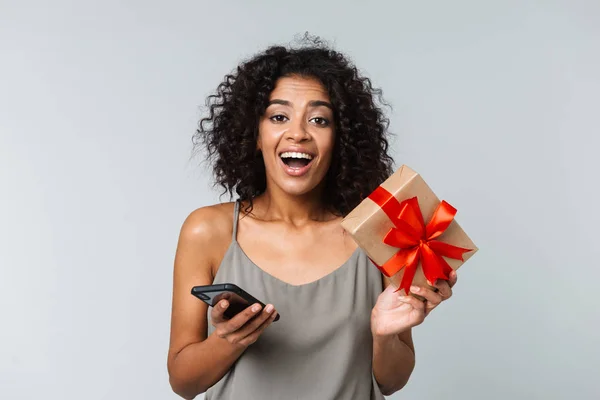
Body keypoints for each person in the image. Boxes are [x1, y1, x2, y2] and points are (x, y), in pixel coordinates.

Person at [167, 36, 458, 400]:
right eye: (278, 116)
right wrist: (228, 340)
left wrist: (383, 335)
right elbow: (183, 382)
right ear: (254, 134)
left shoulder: (380, 232)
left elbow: (391, 381)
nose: (299, 133)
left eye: (319, 119)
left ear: (340, 139)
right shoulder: (208, 230)